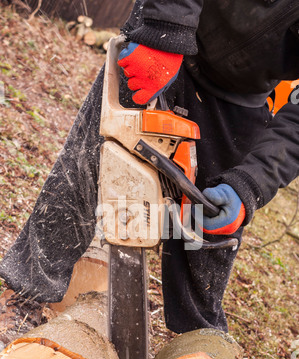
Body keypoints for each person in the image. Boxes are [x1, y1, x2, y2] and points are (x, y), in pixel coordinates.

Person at [0, 0, 298, 334]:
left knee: (209, 232)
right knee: (89, 168)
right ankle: (24, 296)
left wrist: (252, 184)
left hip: (241, 96)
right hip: (165, 38)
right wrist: (164, 29)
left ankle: (196, 348)